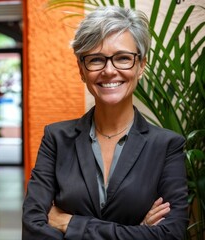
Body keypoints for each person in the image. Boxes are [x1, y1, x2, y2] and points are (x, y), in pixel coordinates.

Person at [22, 5, 188, 240]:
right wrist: (139, 232)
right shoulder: (56, 139)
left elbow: (171, 235)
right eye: (96, 59)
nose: (109, 71)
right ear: (81, 69)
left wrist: (70, 224)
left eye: (122, 58)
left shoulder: (167, 146)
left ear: (141, 66)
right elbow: (33, 229)